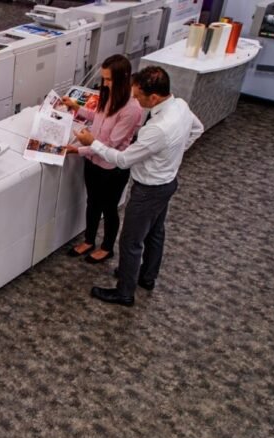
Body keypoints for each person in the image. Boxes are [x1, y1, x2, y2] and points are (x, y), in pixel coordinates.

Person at [74, 66, 204, 306]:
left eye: (138, 96)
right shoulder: (181, 106)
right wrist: (173, 155)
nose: (135, 100)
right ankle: (146, 276)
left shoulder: (157, 129)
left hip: (148, 189)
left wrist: (93, 143)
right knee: (156, 233)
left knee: (131, 241)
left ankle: (124, 292)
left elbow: (123, 160)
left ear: (153, 97)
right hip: (167, 182)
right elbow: (198, 129)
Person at [65, 54, 144, 264]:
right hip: (93, 160)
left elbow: (111, 144)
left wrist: (78, 150)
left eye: (109, 79)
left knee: (109, 208)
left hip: (112, 168)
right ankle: (89, 240)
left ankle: (107, 247)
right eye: (104, 78)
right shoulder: (108, 95)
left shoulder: (132, 109)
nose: (105, 83)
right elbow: (98, 117)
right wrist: (76, 107)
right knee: (92, 202)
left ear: (123, 78)